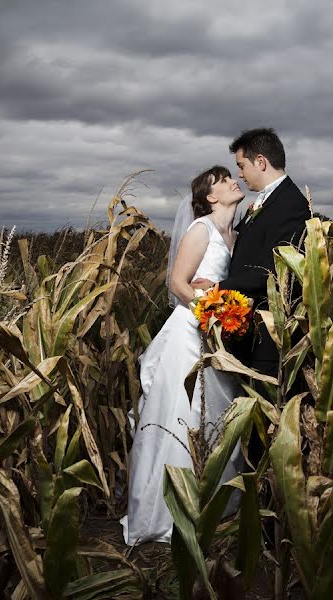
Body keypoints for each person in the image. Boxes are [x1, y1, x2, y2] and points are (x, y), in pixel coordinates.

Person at [121, 165, 245, 545]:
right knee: (182, 416)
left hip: (219, 338)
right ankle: (168, 511)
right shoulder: (200, 229)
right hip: (191, 334)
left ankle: (209, 506)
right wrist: (214, 306)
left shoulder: (237, 236)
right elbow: (177, 284)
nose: (232, 182)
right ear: (210, 197)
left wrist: (221, 297)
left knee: (218, 417)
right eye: (224, 180)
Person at [192, 128, 311, 377]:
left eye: (241, 165)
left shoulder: (292, 204)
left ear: (260, 162)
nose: (239, 174)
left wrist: (218, 286)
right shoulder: (262, 203)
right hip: (249, 331)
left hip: (270, 336)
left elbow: (276, 270)